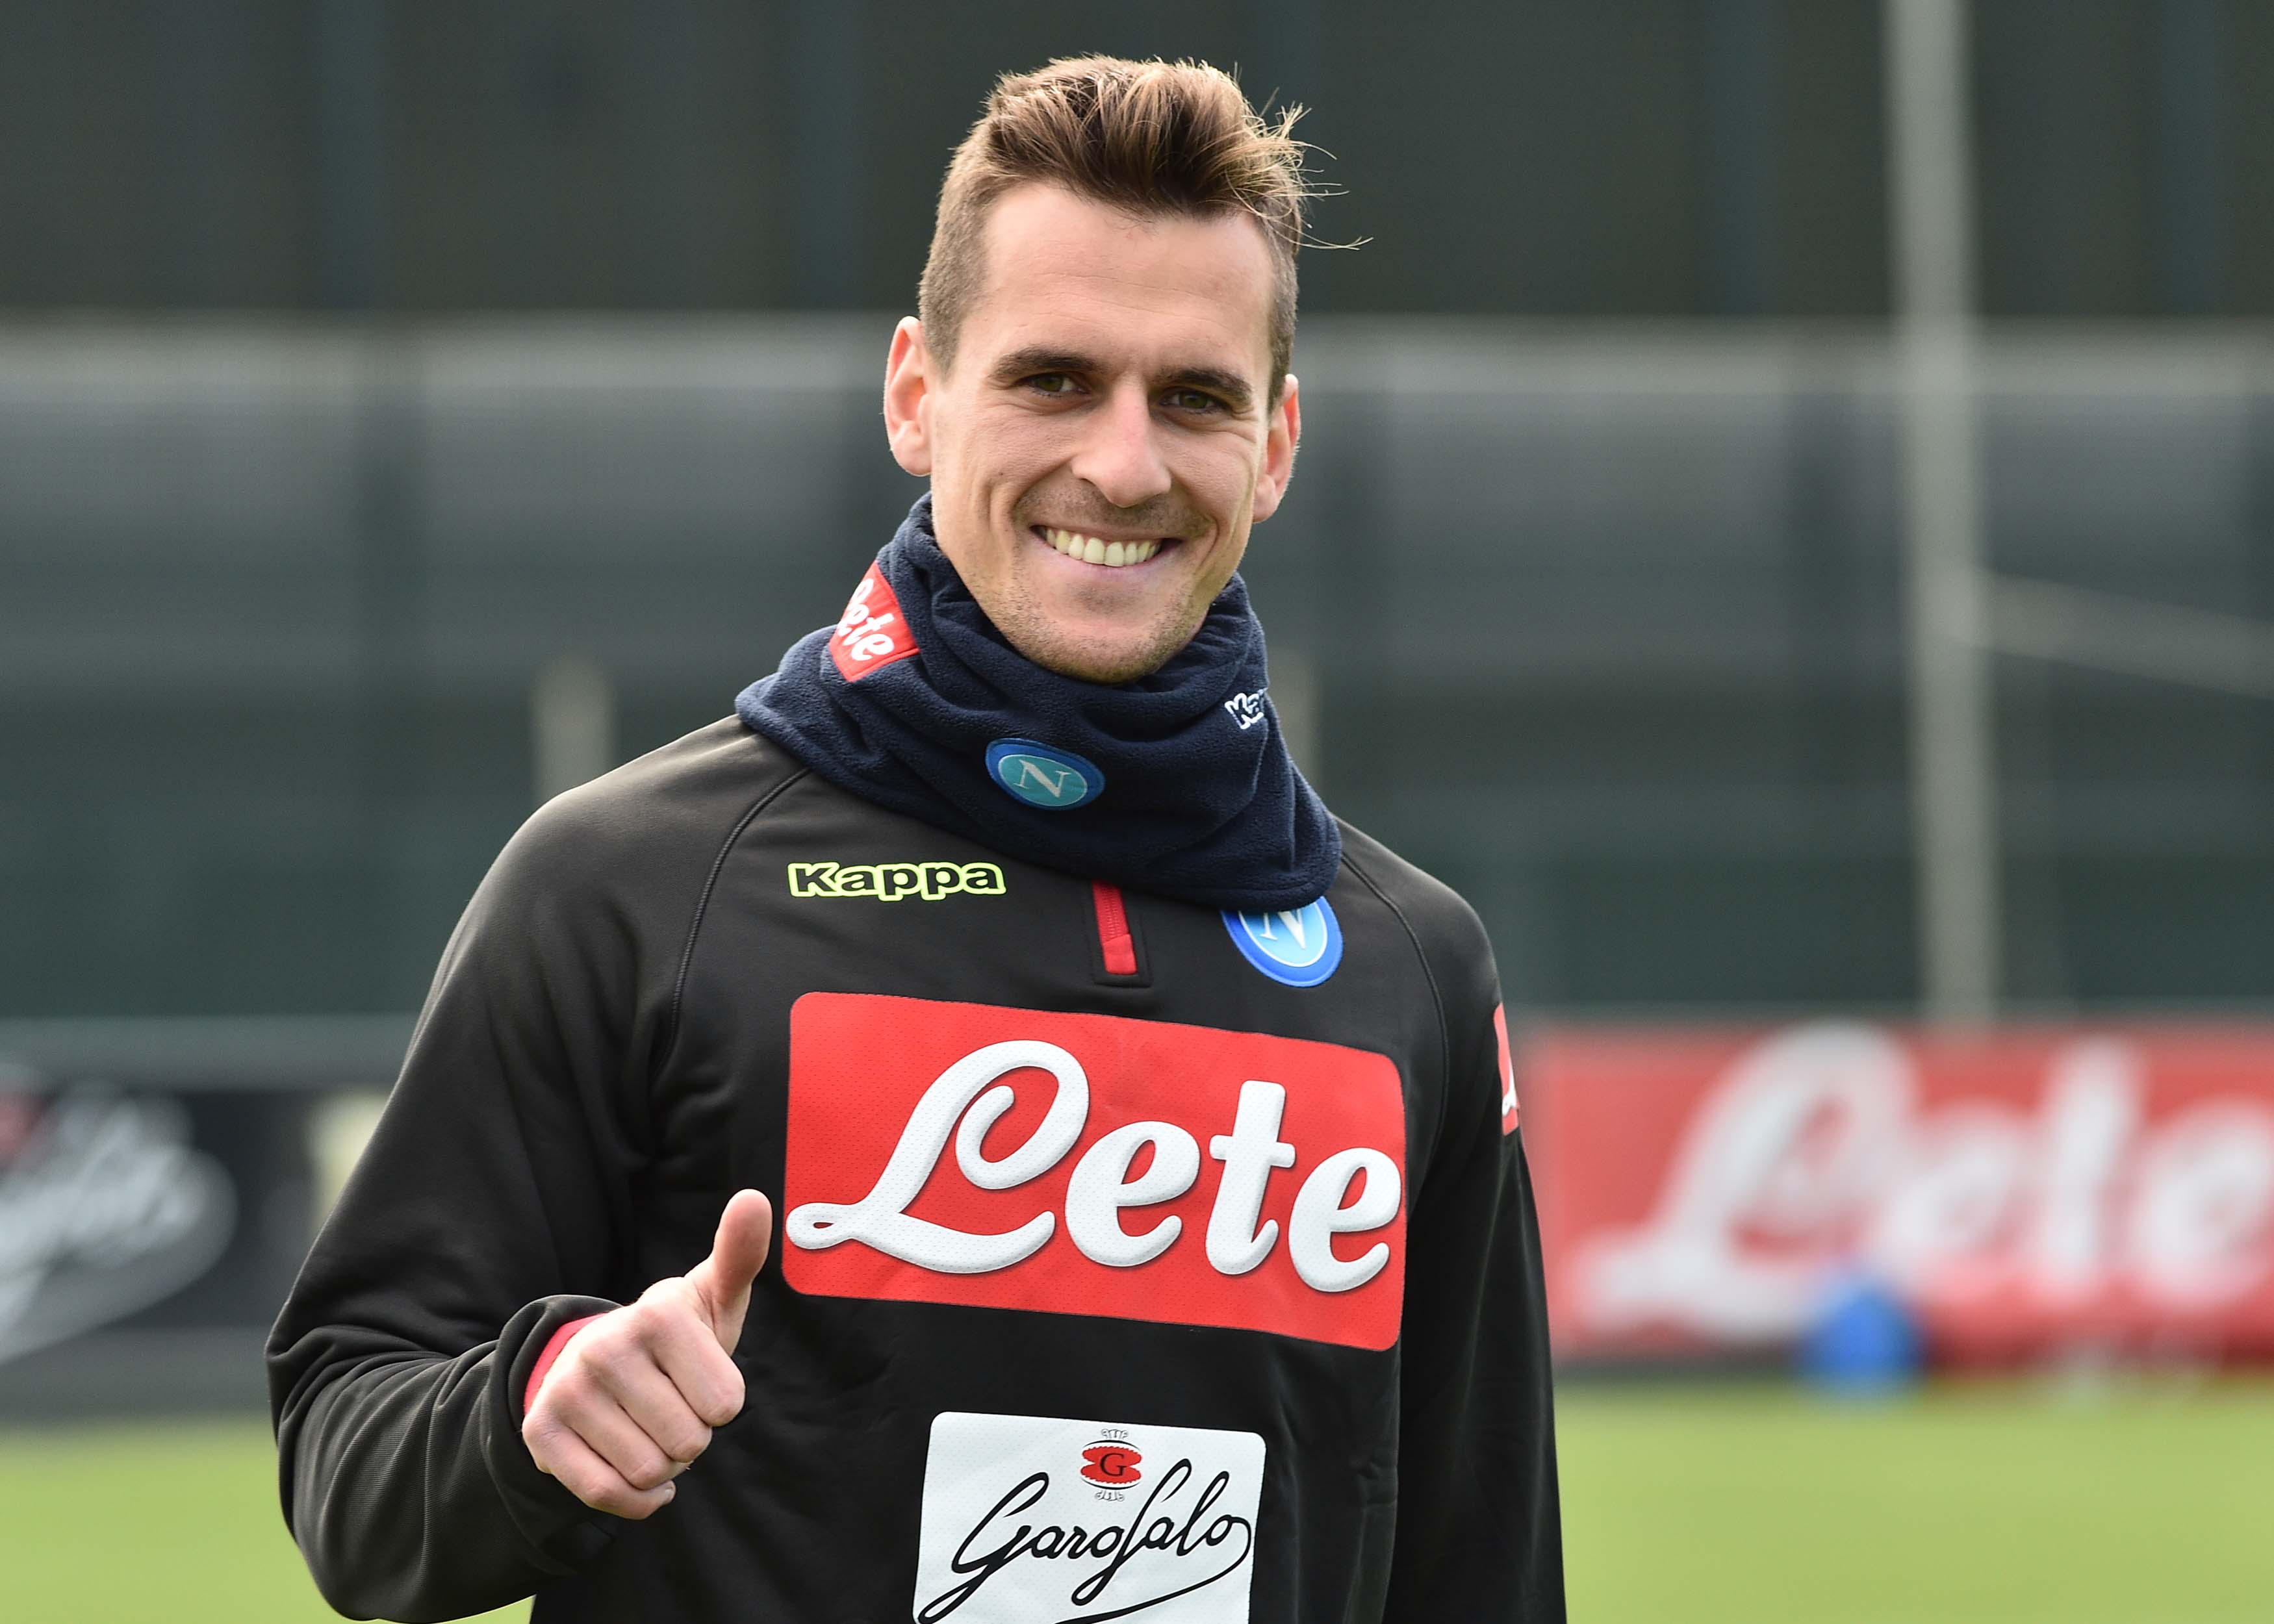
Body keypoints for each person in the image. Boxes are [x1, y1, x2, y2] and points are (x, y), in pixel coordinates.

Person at [269, 55, 1563, 1623]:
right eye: (1054, 379)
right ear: (915, 393)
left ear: (1275, 443)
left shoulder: (1411, 962)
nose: (1126, 463)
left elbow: (1482, 1570)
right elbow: (349, 1446)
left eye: (1198, 398)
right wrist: (528, 1416)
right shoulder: (628, 884)